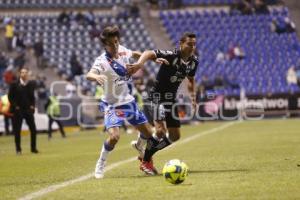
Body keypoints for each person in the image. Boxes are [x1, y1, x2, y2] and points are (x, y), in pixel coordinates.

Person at [86, 25, 162, 178]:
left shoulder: (122, 49)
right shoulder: (101, 61)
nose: (115, 45)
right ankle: (101, 163)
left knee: (149, 134)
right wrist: (96, 77)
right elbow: (89, 74)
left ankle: (141, 149)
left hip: (128, 102)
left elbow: (134, 53)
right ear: (105, 44)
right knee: (114, 137)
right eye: (111, 43)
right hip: (112, 104)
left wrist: (153, 59)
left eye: (116, 41)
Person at [127, 32, 198, 169]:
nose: (192, 47)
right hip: (156, 97)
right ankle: (146, 161)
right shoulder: (171, 55)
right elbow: (148, 53)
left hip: (170, 100)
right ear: (181, 44)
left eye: (194, 44)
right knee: (160, 131)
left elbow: (190, 79)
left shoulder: (194, 62)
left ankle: (143, 151)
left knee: (175, 135)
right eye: (189, 44)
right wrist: (139, 64)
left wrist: (193, 98)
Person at [8, 67, 38, 154]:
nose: (24, 74)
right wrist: (15, 106)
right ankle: (18, 149)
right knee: (17, 130)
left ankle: (33, 148)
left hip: (28, 110)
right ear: (19, 74)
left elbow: (32, 97)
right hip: (18, 110)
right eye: (22, 72)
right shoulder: (14, 84)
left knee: (33, 129)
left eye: (25, 72)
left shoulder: (31, 84)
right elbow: (10, 96)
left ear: (28, 74)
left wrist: (32, 105)